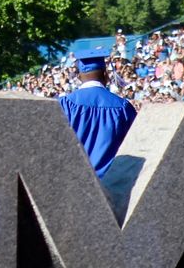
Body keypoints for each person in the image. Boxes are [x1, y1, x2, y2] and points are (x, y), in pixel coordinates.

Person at [58, 48, 137, 177]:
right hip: (111, 182)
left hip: (74, 179)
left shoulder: (65, 104)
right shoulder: (122, 107)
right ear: (106, 75)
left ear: (78, 77)